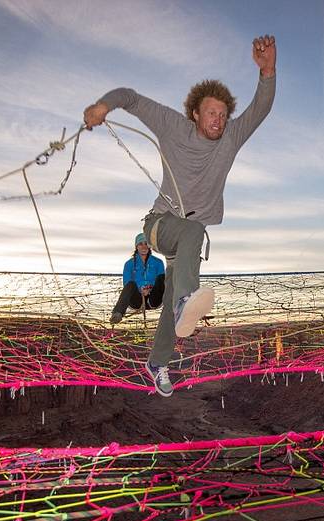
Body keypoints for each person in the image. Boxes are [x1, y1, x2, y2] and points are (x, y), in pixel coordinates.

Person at [84, 34, 276, 397]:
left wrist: (267, 71)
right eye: (211, 113)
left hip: (185, 246)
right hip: (160, 225)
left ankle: (158, 363)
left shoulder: (232, 136)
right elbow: (131, 97)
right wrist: (102, 106)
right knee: (190, 234)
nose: (218, 120)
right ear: (195, 113)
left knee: (176, 308)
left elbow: (260, 109)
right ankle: (186, 301)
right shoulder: (173, 126)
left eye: (222, 114)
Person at [110, 233, 166, 324]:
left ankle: (173, 310)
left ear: (150, 246)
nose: (144, 247)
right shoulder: (129, 264)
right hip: (136, 301)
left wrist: (150, 288)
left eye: (146, 243)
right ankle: (117, 313)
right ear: (136, 246)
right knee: (131, 284)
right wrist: (141, 289)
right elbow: (127, 283)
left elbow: (161, 283)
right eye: (140, 244)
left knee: (162, 277)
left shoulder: (158, 262)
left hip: (154, 299)